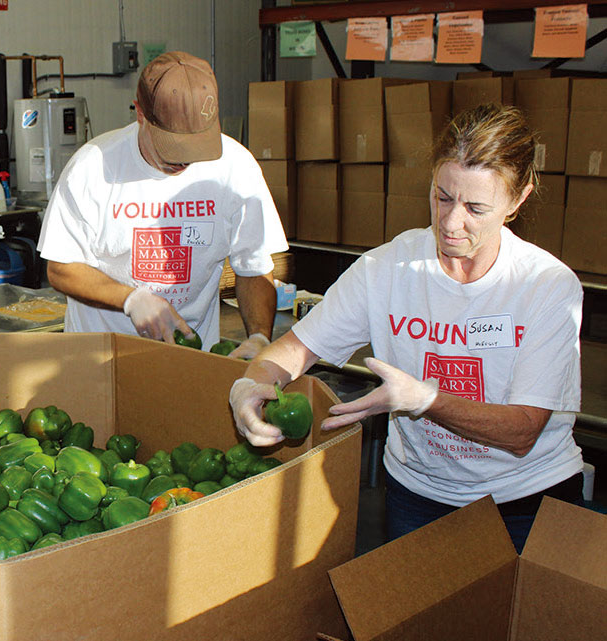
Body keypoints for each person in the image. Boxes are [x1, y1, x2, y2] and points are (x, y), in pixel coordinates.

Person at [229, 104, 584, 552]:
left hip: (523, 500)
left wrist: (424, 399)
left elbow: (521, 431)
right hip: (418, 496)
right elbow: (295, 350)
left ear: (518, 201)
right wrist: (251, 383)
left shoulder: (546, 287)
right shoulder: (386, 269)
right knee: (418, 622)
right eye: (442, 196)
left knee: (519, 622)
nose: (451, 223)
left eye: (476, 207)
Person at [36, 51, 287, 355]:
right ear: (140, 113)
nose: (184, 161)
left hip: (190, 356)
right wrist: (131, 299)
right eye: (172, 146)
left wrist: (259, 336)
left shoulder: (236, 168)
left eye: (196, 146)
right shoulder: (93, 168)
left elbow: (254, 266)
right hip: (99, 356)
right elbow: (61, 267)